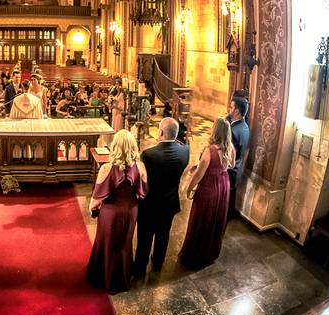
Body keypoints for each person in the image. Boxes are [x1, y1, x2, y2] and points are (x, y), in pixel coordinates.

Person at [86, 130, 147, 293]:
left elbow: (97, 197)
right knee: (124, 244)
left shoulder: (107, 168)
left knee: (107, 244)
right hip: (131, 211)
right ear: (133, 146)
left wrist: (91, 208)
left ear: (115, 146)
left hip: (111, 213)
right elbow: (144, 191)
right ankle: (123, 277)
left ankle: (103, 278)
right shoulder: (140, 167)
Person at [132, 118, 189, 278]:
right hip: (169, 202)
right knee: (163, 235)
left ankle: (140, 268)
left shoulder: (149, 155)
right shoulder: (185, 151)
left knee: (144, 237)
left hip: (149, 204)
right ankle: (157, 263)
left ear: (161, 132)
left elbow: (142, 178)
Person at [179, 118, 234, 269]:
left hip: (209, 187)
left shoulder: (209, 152)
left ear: (215, 131)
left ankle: (196, 254)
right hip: (223, 185)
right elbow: (232, 165)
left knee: (202, 218)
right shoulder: (230, 148)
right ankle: (211, 250)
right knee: (216, 217)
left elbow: (198, 174)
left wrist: (190, 188)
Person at [226, 96, 250, 217]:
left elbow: (230, 156)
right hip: (238, 169)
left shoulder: (233, 131)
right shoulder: (245, 127)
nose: (228, 109)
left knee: (226, 202)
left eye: (231, 107)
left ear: (236, 111)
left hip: (230, 171)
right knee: (231, 197)